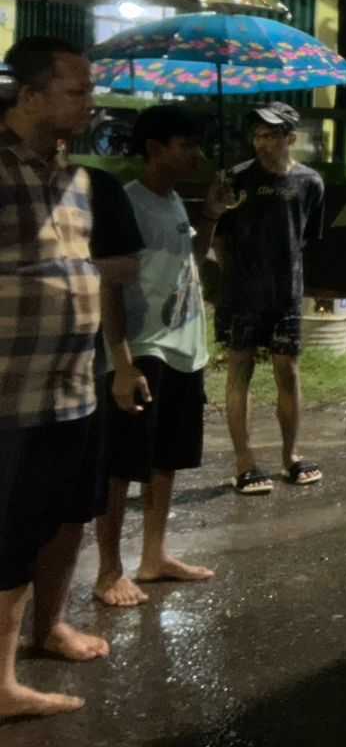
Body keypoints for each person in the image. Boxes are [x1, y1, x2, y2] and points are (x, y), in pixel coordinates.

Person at [0, 37, 101, 719]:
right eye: (76, 92)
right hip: (8, 394)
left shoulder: (78, 178)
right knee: (3, 538)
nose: (90, 106)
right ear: (30, 95)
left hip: (71, 390)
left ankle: (32, 644)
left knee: (42, 526)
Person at [94, 106, 230, 606]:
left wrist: (210, 216)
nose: (196, 153)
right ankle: (109, 571)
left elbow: (187, 266)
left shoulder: (173, 201)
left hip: (183, 352)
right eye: (185, 144)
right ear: (153, 149)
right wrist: (122, 361)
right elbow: (111, 285)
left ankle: (155, 556)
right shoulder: (127, 203)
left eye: (197, 144)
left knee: (165, 460)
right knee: (121, 466)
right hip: (144, 349)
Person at [26, 164, 143, 653]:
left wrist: (120, 362)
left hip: (77, 369)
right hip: (15, 368)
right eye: (73, 93)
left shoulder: (96, 186)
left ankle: (50, 623)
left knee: (71, 505)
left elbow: (122, 271)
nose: (86, 105)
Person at [213, 101, 324, 495]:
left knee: (287, 373)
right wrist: (234, 277)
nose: (261, 142)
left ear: (290, 138)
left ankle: (290, 457)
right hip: (243, 293)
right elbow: (219, 236)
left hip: (286, 294)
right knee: (239, 370)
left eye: (270, 135)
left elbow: (305, 236)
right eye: (257, 135)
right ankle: (244, 464)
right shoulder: (236, 179)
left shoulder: (310, 183)